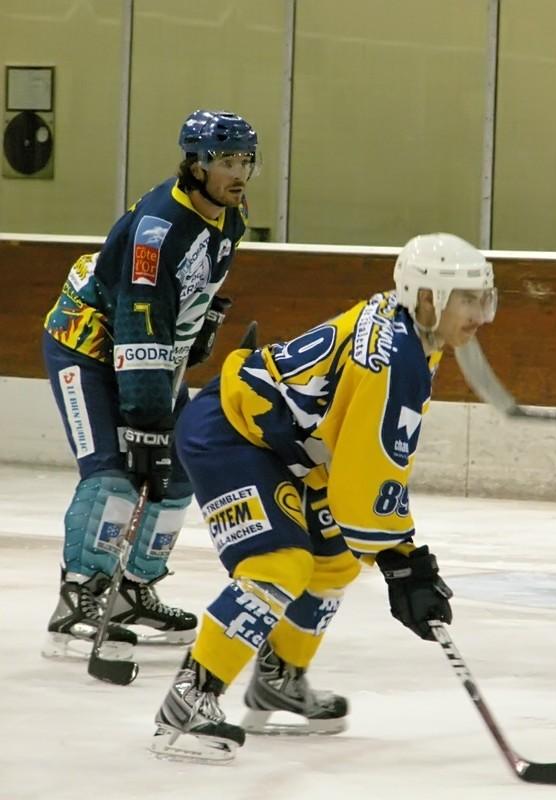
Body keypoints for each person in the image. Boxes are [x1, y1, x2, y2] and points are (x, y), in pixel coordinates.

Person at [150, 232, 497, 763]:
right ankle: (190, 698)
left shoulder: (412, 330)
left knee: (334, 562)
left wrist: (398, 555)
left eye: (483, 297)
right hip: (230, 433)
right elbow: (365, 478)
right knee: (280, 564)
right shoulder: (396, 357)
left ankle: (278, 680)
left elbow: (368, 463)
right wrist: (403, 560)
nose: (479, 312)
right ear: (428, 297)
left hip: (282, 448)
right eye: (467, 298)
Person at [41, 109, 261, 659]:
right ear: (195, 164)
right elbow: (140, 313)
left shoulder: (228, 214)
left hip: (151, 353)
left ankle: (133, 590)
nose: (238, 173)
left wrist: (202, 323)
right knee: (116, 472)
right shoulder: (158, 228)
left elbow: (190, 288)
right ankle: (79, 597)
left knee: (178, 471)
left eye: (245, 162)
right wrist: (145, 418)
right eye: (226, 161)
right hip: (87, 346)